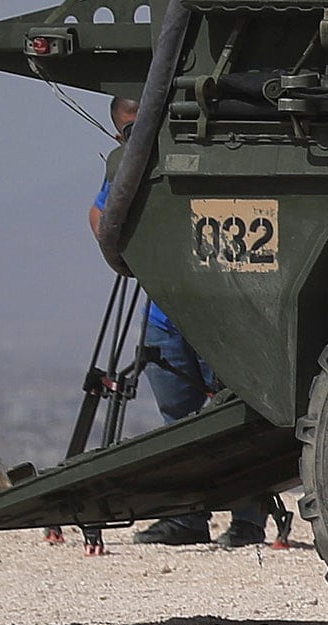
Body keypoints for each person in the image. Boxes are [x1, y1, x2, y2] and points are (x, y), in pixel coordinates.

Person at [88, 98, 264, 547]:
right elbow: (99, 212)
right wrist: (124, 250)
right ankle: (188, 517)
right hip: (165, 316)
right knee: (177, 419)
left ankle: (248, 518)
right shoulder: (129, 171)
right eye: (132, 132)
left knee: (235, 411)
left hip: (222, 309)